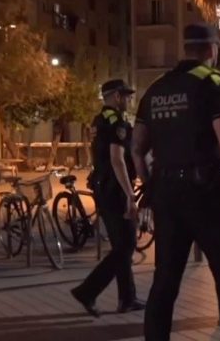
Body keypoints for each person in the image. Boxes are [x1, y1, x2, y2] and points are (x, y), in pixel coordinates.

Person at [132, 23, 220, 341]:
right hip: (208, 197)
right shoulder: (213, 82)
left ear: (186, 49)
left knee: (165, 283)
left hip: (167, 197)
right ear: (211, 50)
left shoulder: (157, 88)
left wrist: (150, 186)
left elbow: (137, 148)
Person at [70, 79, 144, 316]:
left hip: (103, 187)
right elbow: (117, 159)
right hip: (115, 190)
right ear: (115, 96)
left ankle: (127, 298)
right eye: (126, 95)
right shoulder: (117, 122)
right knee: (126, 245)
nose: (129, 99)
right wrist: (129, 194)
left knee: (121, 244)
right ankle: (88, 291)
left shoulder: (99, 120)